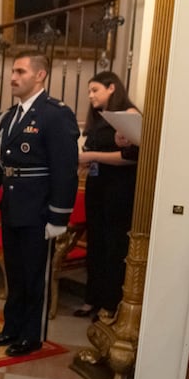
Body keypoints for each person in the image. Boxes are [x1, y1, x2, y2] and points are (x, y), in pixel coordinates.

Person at [0, 50, 79, 357]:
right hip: (13, 208)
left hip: (39, 212)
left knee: (36, 275)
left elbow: (65, 168)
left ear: (40, 75)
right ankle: (11, 328)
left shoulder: (55, 114)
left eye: (21, 71)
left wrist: (58, 217)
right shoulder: (10, 117)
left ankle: (31, 335)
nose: (13, 77)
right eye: (13, 71)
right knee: (16, 273)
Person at [75, 71, 140, 321]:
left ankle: (109, 304)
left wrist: (91, 157)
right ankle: (92, 299)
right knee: (97, 245)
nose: (90, 95)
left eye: (95, 90)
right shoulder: (100, 118)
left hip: (118, 189)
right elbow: (95, 149)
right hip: (97, 185)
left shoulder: (129, 115)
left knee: (114, 247)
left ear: (112, 88)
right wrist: (88, 162)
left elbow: (131, 157)